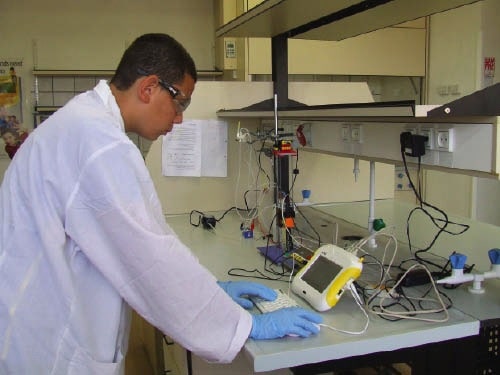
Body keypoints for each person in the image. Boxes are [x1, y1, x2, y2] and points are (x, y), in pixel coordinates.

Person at [0, 33, 322, 374]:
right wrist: (244, 325)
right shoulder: (99, 145)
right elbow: (151, 261)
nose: (180, 118)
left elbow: (142, 240)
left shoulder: (81, 125)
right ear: (149, 87)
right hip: (44, 350)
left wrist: (212, 291)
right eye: (180, 103)